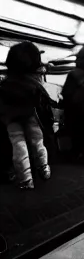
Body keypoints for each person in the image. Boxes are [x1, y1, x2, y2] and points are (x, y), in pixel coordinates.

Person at [0, 42, 54, 189]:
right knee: (38, 141)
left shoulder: (5, 85)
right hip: (31, 115)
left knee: (18, 144)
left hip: (11, 118)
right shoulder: (34, 82)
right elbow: (44, 101)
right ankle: (43, 168)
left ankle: (25, 179)